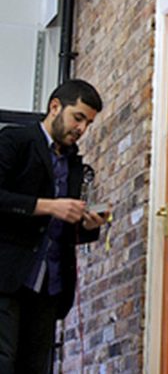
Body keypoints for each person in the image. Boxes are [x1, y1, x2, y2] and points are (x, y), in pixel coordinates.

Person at [0, 79, 110, 373]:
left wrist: (88, 223)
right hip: (7, 276)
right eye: (78, 117)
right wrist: (49, 205)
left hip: (51, 284)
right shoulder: (15, 141)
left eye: (88, 123)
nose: (82, 129)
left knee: (37, 367)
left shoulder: (76, 165)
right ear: (55, 107)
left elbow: (66, 231)